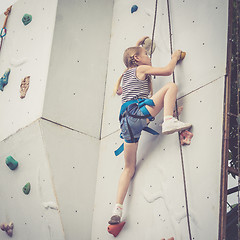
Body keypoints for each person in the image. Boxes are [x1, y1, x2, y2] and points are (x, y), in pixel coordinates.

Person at [108, 37, 192, 234]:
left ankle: (117, 210)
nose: (150, 57)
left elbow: (124, 84)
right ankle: (169, 120)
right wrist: (174, 57)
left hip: (126, 123)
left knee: (128, 168)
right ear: (136, 59)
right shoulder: (141, 69)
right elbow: (167, 71)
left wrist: (139, 45)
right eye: (147, 54)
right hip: (138, 113)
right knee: (171, 86)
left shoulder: (125, 75)